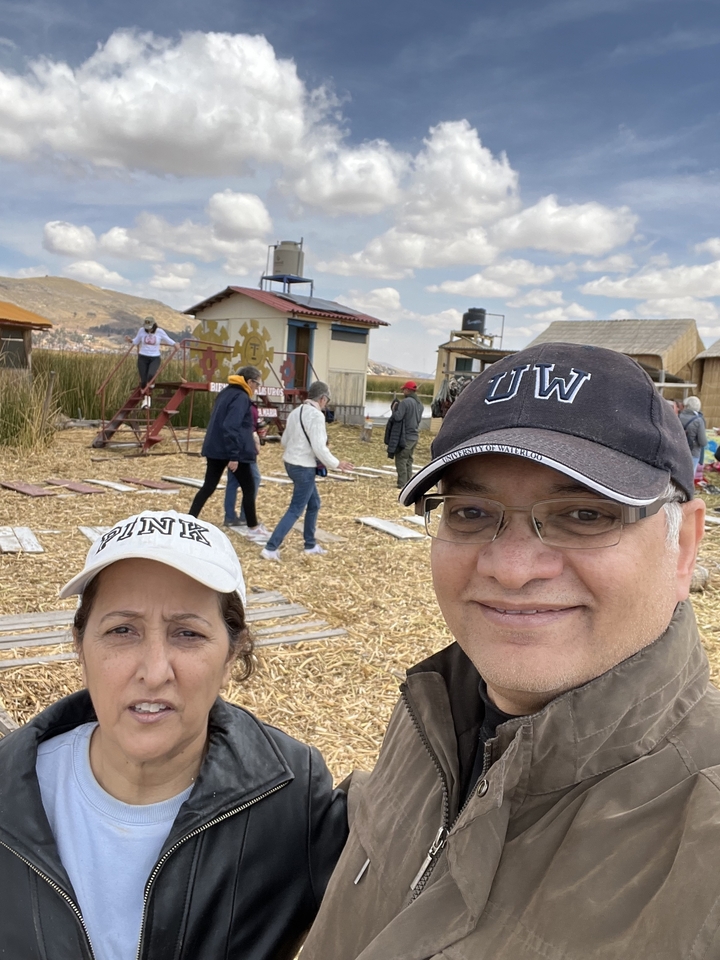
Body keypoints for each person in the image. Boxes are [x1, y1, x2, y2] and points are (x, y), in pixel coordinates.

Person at [301, 342, 720, 960]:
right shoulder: (437, 711)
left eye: (583, 514)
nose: (514, 568)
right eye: (470, 511)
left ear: (682, 545)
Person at [0, 509, 347, 960]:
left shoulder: (294, 803)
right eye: (122, 630)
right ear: (79, 646)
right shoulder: (9, 794)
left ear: (231, 654)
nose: (154, 671)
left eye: (187, 633)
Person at [260, 381, 353, 562]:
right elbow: (319, 447)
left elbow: (285, 440)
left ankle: (310, 544)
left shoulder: (296, 412)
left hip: (291, 462)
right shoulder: (316, 416)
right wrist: (336, 463)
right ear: (322, 398)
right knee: (296, 509)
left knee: (314, 503)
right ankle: (271, 547)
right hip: (304, 466)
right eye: (327, 400)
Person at [189, 364, 270, 544]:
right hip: (231, 450)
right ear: (249, 381)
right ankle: (253, 528)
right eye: (257, 384)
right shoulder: (241, 397)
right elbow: (231, 426)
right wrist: (234, 455)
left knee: (209, 486)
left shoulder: (226, 392)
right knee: (249, 487)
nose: (257, 388)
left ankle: (189, 519)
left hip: (214, 448)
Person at [224, 399, 262, 527]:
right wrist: (255, 442)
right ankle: (245, 516)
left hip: (235, 448)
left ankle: (230, 516)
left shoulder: (235, 403)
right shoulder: (246, 406)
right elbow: (249, 429)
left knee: (233, 483)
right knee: (253, 480)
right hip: (245, 450)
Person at [125, 317, 176, 408]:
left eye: (150, 327)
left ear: (154, 325)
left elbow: (168, 340)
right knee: (143, 380)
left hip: (154, 357)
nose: (148, 329)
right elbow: (136, 341)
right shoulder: (141, 331)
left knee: (151, 375)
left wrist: (175, 344)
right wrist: (130, 340)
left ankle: (150, 389)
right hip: (143, 357)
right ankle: (146, 400)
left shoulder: (159, 332)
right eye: (146, 327)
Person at [384, 380, 424, 488]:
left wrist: (394, 409)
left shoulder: (406, 403)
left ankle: (402, 484)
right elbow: (418, 419)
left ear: (408, 390)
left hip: (405, 437)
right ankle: (409, 484)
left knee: (401, 460)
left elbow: (397, 417)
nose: (403, 392)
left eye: (404, 390)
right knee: (409, 460)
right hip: (414, 437)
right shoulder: (420, 404)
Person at [680, 394, 707, 471]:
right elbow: (703, 442)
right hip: (693, 452)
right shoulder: (698, 421)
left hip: (679, 450)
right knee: (689, 477)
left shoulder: (678, 416)